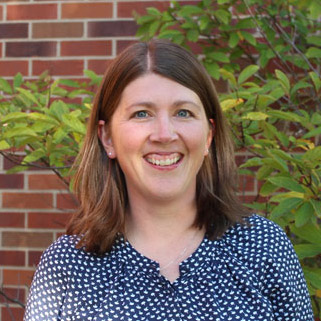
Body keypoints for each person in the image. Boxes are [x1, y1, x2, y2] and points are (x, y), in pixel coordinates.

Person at [24, 39, 313, 321]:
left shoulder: (263, 248)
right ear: (107, 137)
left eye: (183, 113)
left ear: (209, 135)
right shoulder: (67, 268)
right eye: (142, 114)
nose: (164, 134)